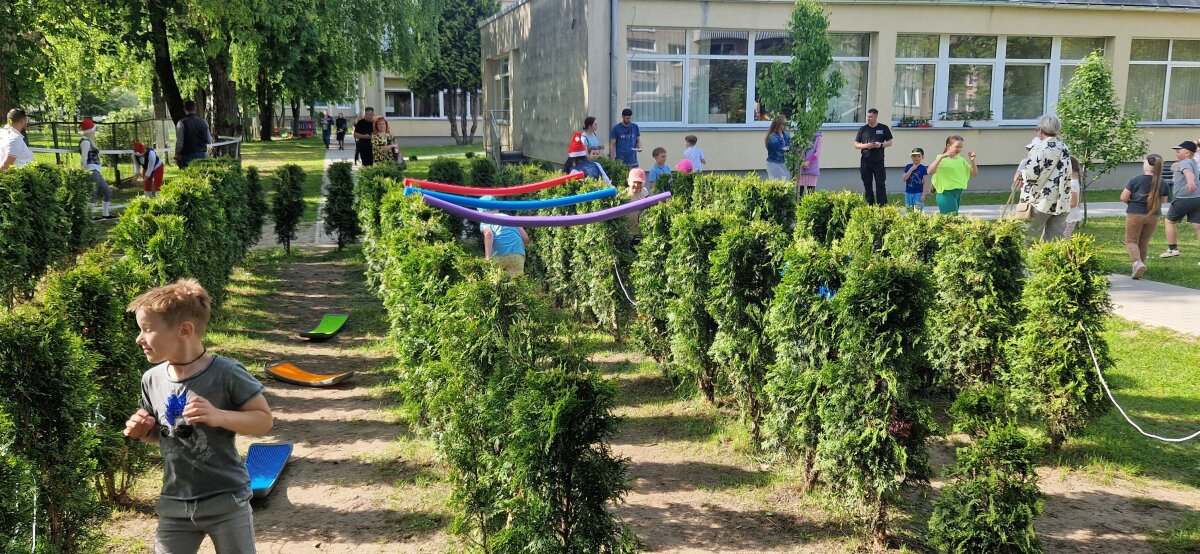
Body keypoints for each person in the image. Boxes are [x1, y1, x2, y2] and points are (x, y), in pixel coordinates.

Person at [122, 279, 272, 554]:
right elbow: (164, 434)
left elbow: (263, 420)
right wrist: (143, 431)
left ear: (185, 330)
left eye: (147, 330)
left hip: (226, 501)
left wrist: (219, 416)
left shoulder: (226, 373)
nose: (139, 338)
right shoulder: (151, 379)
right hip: (175, 502)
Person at [1019, 114, 1075, 242]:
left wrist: (1022, 173)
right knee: (1053, 241)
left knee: (1025, 237)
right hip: (1061, 200)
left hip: (1040, 200)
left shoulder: (1039, 148)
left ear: (1041, 130)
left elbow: (1031, 175)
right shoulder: (1064, 147)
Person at [1123, 154, 1168, 279]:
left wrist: (1131, 203)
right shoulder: (1163, 182)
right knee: (1143, 242)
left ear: (1146, 164)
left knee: (1132, 241)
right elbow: (1164, 200)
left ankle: (1137, 263)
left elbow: (1124, 197)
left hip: (1135, 214)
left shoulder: (1135, 180)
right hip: (1153, 215)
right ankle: (1139, 267)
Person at [1159, 140, 1200, 260]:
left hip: (1183, 198)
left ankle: (1173, 249)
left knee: (1169, 221)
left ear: (1187, 153)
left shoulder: (1185, 162)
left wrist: (1190, 182)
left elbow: (1188, 173)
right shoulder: (1193, 162)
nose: (1176, 153)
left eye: (1178, 151)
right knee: (1197, 225)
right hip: (1197, 198)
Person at [478, 197, 529, 276]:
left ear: (481, 212)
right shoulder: (510, 218)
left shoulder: (486, 220)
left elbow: (488, 234)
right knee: (516, 281)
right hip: (517, 254)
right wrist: (518, 249)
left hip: (499, 255)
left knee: (496, 280)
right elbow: (525, 238)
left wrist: (487, 257)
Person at [927, 136, 977, 215]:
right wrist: (941, 157)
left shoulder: (960, 159)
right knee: (952, 219)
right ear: (948, 146)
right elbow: (929, 171)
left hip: (957, 193)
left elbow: (974, 173)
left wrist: (972, 161)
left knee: (952, 219)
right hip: (946, 194)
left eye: (961, 147)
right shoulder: (942, 159)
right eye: (957, 147)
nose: (959, 149)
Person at [853, 108, 893, 205]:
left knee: (880, 184)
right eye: (867, 116)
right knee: (867, 185)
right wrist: (867, 145)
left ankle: (882, 206)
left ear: (876, 116)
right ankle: (870, 205)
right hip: (865, 162)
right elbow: (856, 144)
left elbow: (890, 142)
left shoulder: (883, 128)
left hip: (879, 161)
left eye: (870, 117)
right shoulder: (863, 129)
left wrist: (881, 144)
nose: (868, 118)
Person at [79, 118, 114, 219]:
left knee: (107, 191)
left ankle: (105, 214)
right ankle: (89, 216)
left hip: (96, 170)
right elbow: (83, 159)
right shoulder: (85, 142)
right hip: (91, 170)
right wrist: (84, 171)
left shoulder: (88, 141)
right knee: (93, 194)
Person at [174, 101, 212, 169]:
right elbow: (209, 140)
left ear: (184, 109)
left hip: (187, 155)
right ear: (195, 109)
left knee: (188, 174)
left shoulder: (181, 123)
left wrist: (177, 153)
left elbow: (179, 143)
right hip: (202, 155)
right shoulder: (204, 122)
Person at [625, 167, 650, 239]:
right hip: (627, 232)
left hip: (640, 231)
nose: (636, 185)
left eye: (640, 182)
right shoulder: (624, 196)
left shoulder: (645, 193)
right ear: (628, 182)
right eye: (634, 182)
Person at [765, 116, 792, 182]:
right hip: (774, 164)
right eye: (784, 123)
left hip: (784, 163)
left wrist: (787, 148)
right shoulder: (772, 137)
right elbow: (779, 151)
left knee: (787, 183)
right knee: (777, 184)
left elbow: (791, 147)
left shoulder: (786, 135)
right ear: (778, 124)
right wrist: (787, 148)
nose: (786, 125)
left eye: (786, 123)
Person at [902, 148, 929, 212]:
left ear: (922, 157)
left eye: (918, 156)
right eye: (914, 156)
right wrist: (911, 170)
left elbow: (925, 183)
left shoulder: (923, 168)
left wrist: (923, 195)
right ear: (911, 157)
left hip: (918, 194)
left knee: (917, 211)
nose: (916, 158)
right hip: (908, 193)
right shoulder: (908, 166)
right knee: (909, 211)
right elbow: (904, 179)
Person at [1063, 157, 1084, 239]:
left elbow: (1074, 203)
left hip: (1069, 216)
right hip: (1069, 215)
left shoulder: (1072, 184)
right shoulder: (1074, 182)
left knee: (1064, 238)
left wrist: (1060, 207)